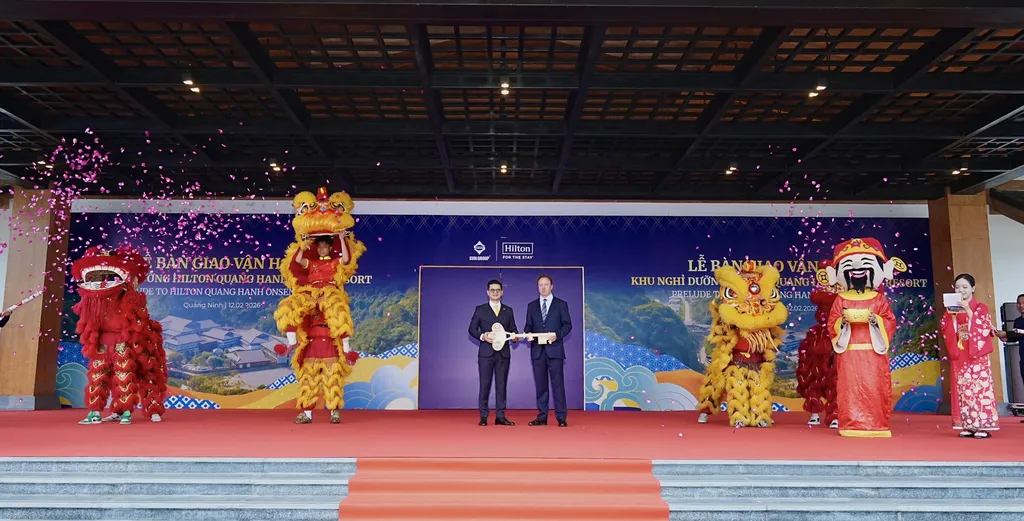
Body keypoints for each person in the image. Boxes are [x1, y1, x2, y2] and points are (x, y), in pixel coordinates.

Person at [824, 238, 901, 438]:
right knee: (850, 389)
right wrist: (843, 322)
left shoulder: (879, 299)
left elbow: (889, 321)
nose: (857, 270)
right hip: (850, 353)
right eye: (850, 266)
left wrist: (875, 320)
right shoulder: (841, 299)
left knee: (874, 388)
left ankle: (876, 424)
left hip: (873, 353)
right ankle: (851, 424)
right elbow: (832, 324)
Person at [939, 273, 1000, 439]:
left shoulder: (981, 307)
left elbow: (984, 327)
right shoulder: (951, 309)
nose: (961, 290)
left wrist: (967, 310)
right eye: (957, 287)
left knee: (979, 388)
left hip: (976, 352)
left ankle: (983, 425)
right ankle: (968, 424)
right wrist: (952, 317)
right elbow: (946, 328)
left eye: (965, 287)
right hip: (961, 350)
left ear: (973, 288)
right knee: (963, 388)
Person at [468, 279, 518, 426]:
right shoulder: (480, 309)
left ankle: (500, 416)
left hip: (503, 353)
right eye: (492, 290)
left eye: (498, 290)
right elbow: (472, 329)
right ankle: (483, 416)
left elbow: (513, 329)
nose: (495, 292)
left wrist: (515, 337)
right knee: (485, 384)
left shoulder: (508, 310)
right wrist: (483, 336)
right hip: (486, 353)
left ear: (502, 293)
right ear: (488, 292)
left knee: (501, 385)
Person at [524, 274, 572, 427]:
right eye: (540, 285)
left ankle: (561, 417)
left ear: (552, 286)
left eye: (546, 284)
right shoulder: (531, 306)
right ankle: (542, 416)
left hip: (555, 350)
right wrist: (528, 334)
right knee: (541, 385)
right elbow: (528, 326)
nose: (543, 287)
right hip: (538, 351)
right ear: (537, 287)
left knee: (558, 385)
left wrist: (557, 335)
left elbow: (567, 325)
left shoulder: (561, 304)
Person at [993, 293, 1024, 394]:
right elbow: (1017, 337)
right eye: (1019, 303)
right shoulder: (1017, 321)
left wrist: (1006, 333)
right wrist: (1006, 338)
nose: (1021, 305)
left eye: (1023, 303)